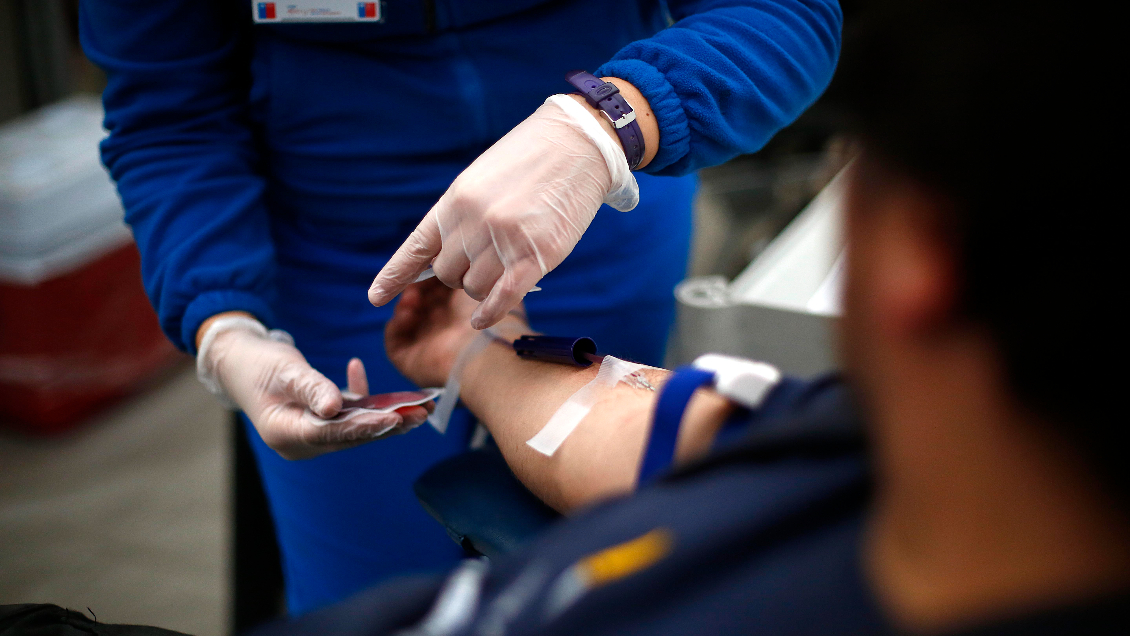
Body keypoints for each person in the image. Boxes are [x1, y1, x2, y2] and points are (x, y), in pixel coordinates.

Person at [256, 0, 1127, 632]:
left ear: (918, 256)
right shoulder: (870, 445)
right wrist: (473, 353)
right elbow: (647, 429)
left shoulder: (827, 466)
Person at [79, 0, 842, 614]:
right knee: (376, 597)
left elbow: (788, 10)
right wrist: (223, 320)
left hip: (596, 198)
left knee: (610, 572)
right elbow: (168, 111)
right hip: (343, 254)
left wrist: (607, 122)